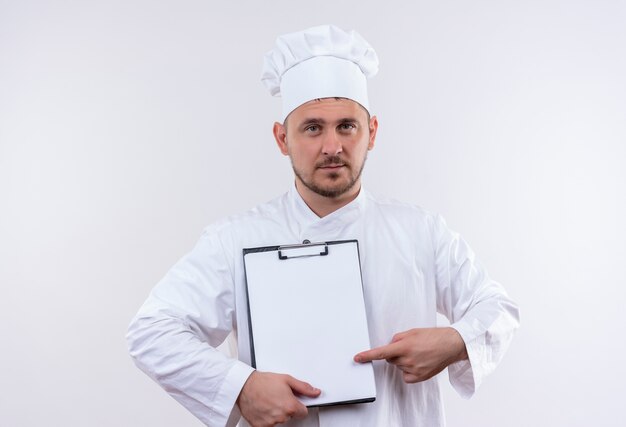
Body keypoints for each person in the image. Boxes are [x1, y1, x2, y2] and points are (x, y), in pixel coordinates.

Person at [127, 25, 520, 427]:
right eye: (312, 128)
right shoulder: (235, 240)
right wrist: (241, 386)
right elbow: (152, 332)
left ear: (372, 133)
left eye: (347, 126)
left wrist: (454, 342)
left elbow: (498, 309)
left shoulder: (421, 232)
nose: (332, 147)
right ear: (282, 139)